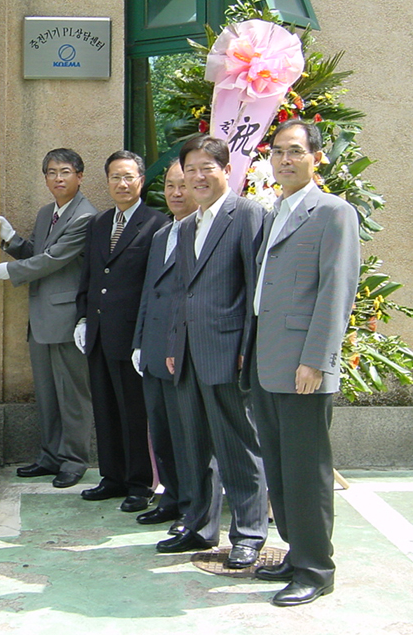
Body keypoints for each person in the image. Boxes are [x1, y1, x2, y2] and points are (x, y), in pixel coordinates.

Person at [246, 120, 359, 606]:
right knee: (280, 465)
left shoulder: (333, 212)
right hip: (267, 362)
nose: (284, 161)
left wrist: (316, 361)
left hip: (302, 367)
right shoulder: (276, 212)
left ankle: (316, 569)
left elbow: (336, 294)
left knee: (307, 469)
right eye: (277, 153)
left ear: (317, 157)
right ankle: (296, 552)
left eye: (295, 152)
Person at [159, 135, 268, 569]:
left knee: (238, 446)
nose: (197, 177)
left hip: (228, 352)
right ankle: (200, 526)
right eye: (191, 169)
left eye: (207, 167)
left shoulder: (248, 215)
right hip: (186, 352)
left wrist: (247, 349)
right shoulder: (186, 226)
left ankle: (249, 533)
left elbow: (255, 288)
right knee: (194, 445)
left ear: (226, 169)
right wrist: (172, 343)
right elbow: (181, 293)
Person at [0, 148, 97, 488]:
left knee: (73, 395)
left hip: (66, 320)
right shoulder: (46, 212)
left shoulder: (85, 216)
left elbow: (53, 259)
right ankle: (49, 456)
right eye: (51, 172)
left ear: (79, 176)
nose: (58, 178)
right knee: (47, 395)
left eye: (65, 172)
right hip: (40, 320)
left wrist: (11, 270)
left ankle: (74, 460)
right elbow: (37, 251)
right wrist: (12, 240)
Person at [75, 150, 168, 511]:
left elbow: (153, 286)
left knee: (133, 412)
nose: (122, 183)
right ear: (107, 181)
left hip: (131, 337)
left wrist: (145, 336)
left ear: (141, 181)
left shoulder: (157, 224)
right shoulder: (98, 224)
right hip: (98, 332)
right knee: (105, 408)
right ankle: (111, 477)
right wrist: (82, 317)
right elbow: (90, 275)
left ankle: (139, 483)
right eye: (115, 177)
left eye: (129, 177)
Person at [132, 160, 219, 531]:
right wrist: (138, 342)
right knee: (162, 433)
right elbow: (149, 294)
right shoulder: (160, 235)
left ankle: (193, 507)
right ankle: (170, 497)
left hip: (182, 353)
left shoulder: (203, 235)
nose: (176, 193)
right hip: (152, 351)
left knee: (189, 437)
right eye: (169, 186)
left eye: (183, 185)